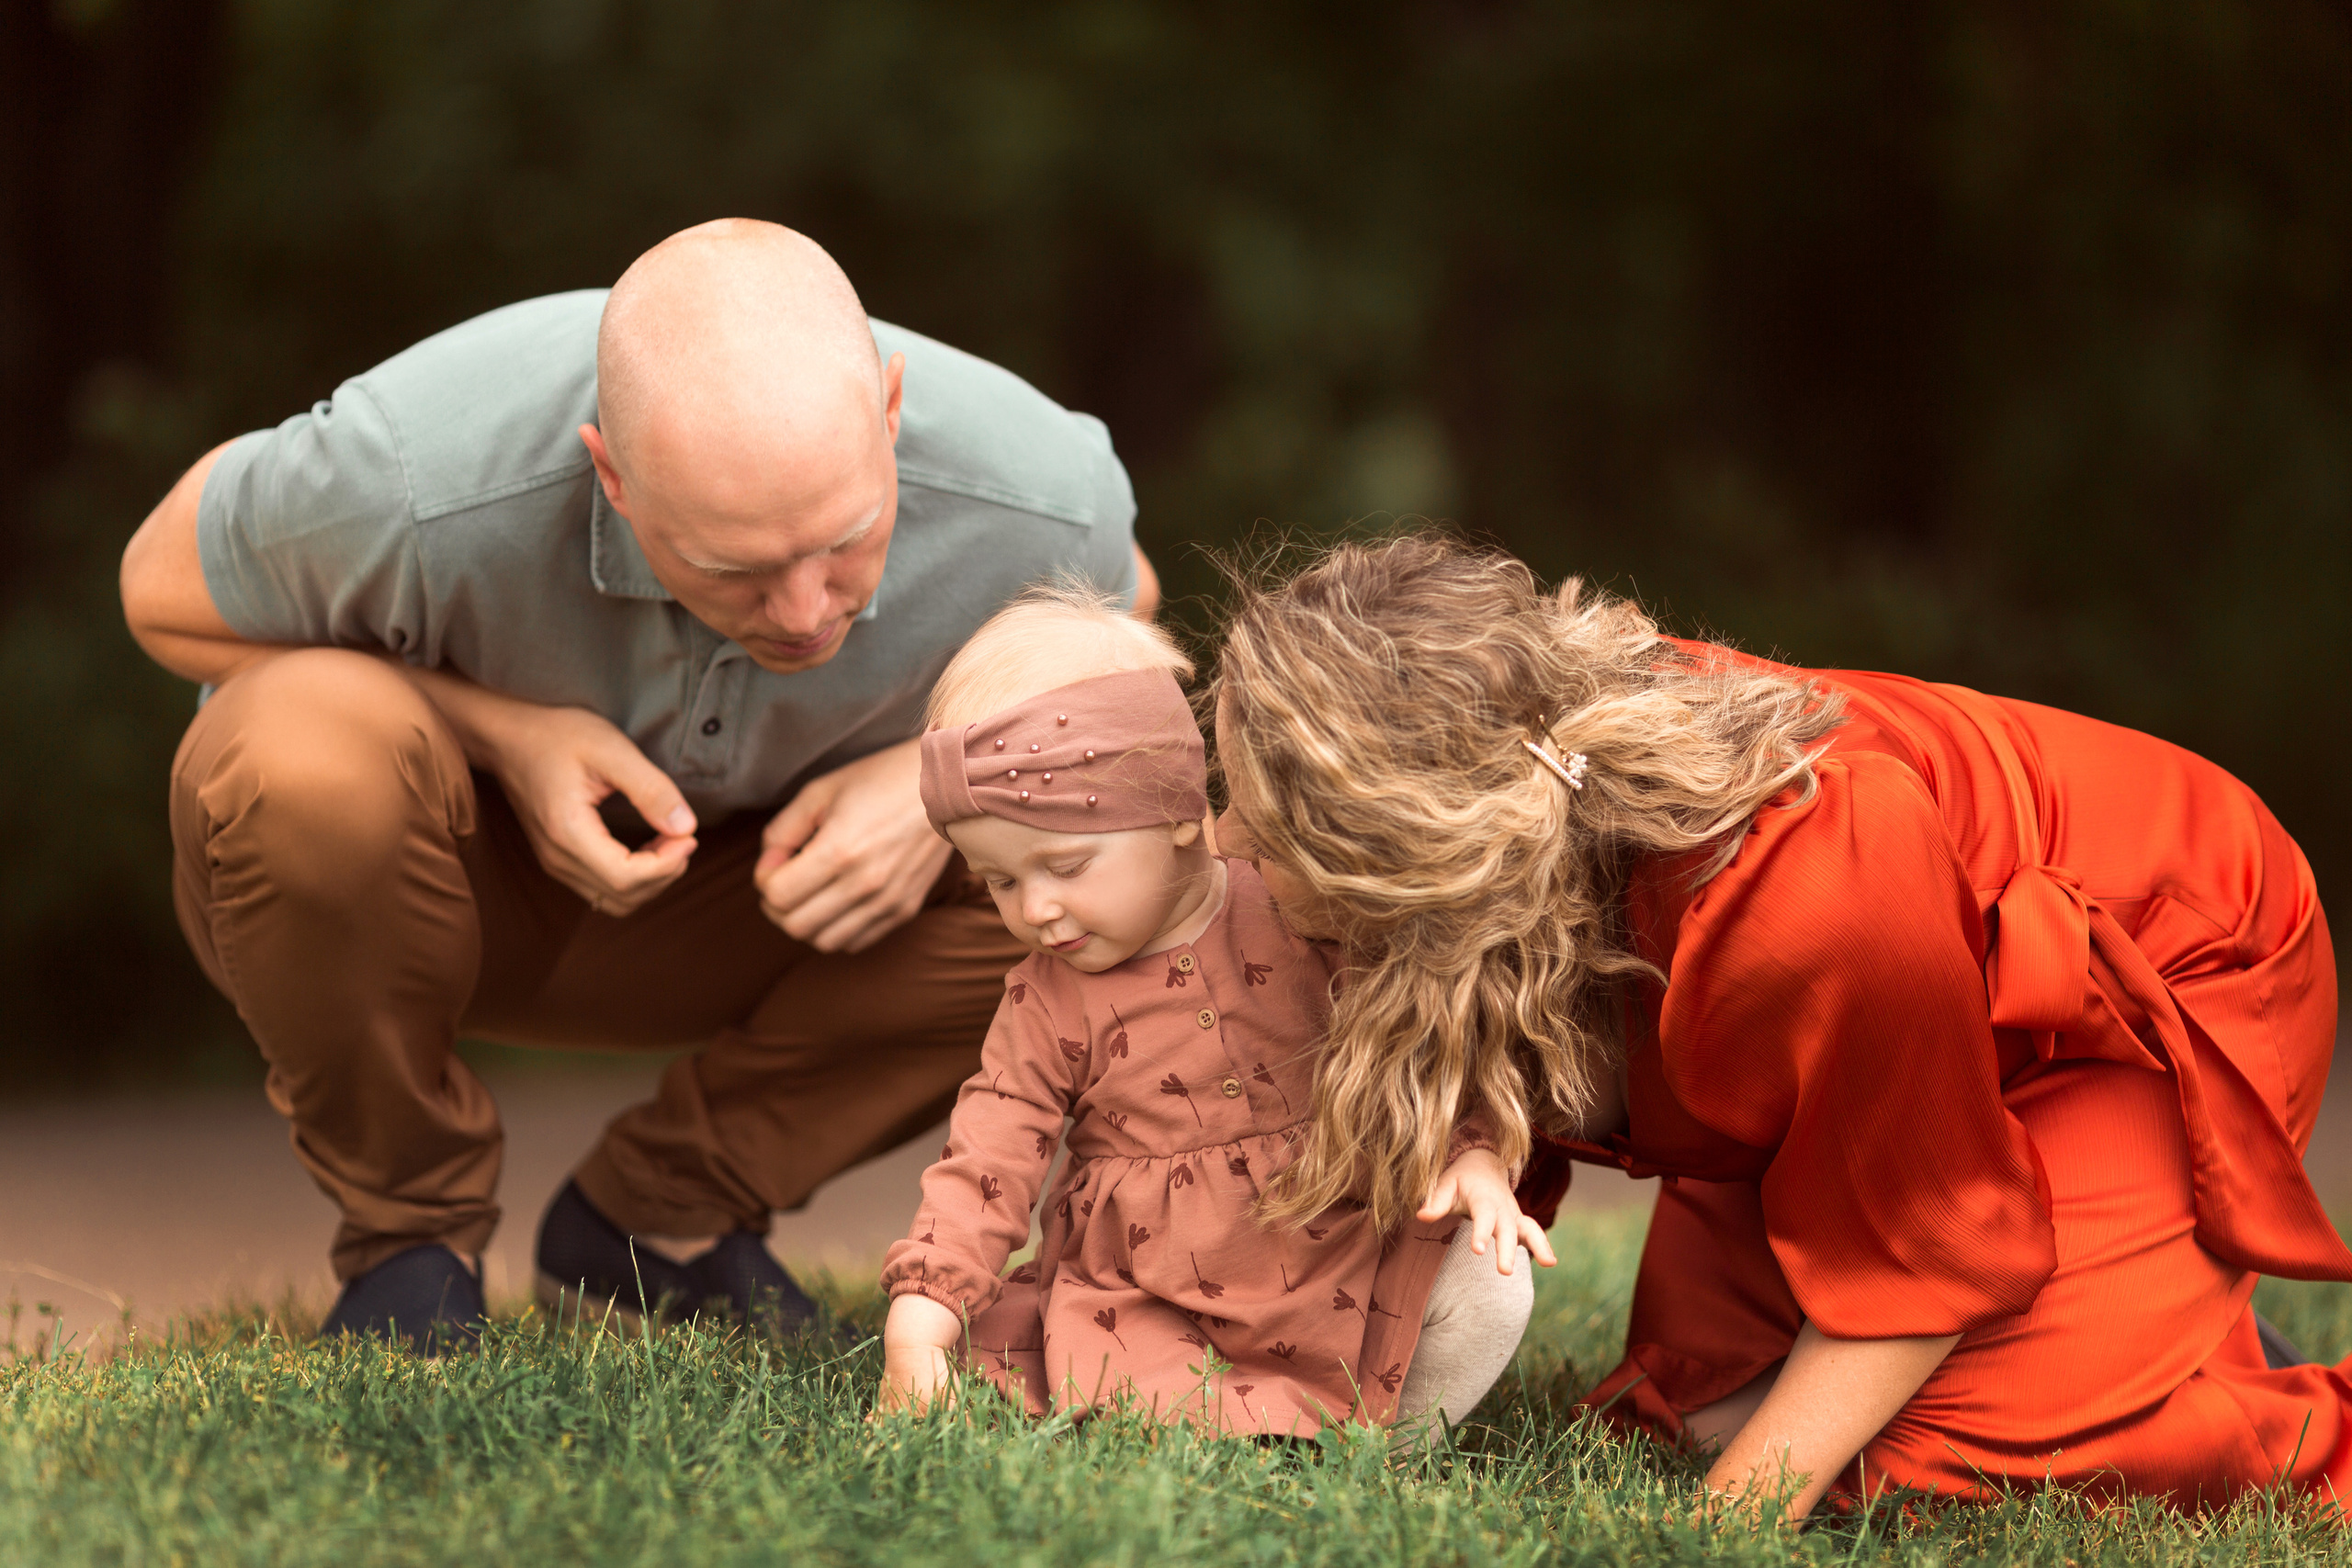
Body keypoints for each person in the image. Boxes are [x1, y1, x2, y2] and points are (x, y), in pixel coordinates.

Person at [116, 219, 1159, 1349]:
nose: (809, 611)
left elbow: (1124, 623)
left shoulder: (1039, 485)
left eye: (847, 542)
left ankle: (655, 1219)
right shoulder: (417, 466)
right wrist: (503, 736)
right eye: (735, 569)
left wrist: (925, 784)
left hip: (775, 911)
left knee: (1100, 825)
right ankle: (408, 1242)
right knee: (292, 752)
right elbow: (159, 590)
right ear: (610, 471)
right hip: (431, 890)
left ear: (891, 412)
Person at [1208, 532, 2346, 1513]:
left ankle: (2250, 1402)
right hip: (1882, 1026)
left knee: (1910, 1460)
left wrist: (1730, 1526)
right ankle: (2143, 1320)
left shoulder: (1800, 896)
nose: (1228, 845)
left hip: (2157, 980)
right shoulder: (1515, 804)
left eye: (1256, 824)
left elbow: (1926, 1248)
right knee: (1699, 1402)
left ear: (1407, 861)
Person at [874, 590, 1552, 1438]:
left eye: (1066, 864)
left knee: (1490, 1280)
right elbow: (989, 1156)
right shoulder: (1046, 1000)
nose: (1036, 909)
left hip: (1345, 1240)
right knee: (1089, 1368)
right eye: (1000, 881)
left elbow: (1416, 1039)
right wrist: (921, 1319)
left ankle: (1390, 1438)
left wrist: (1474, 1154)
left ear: (1183, 812)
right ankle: (1239, 1429)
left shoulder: (1299, 904)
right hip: (1153, 1294)